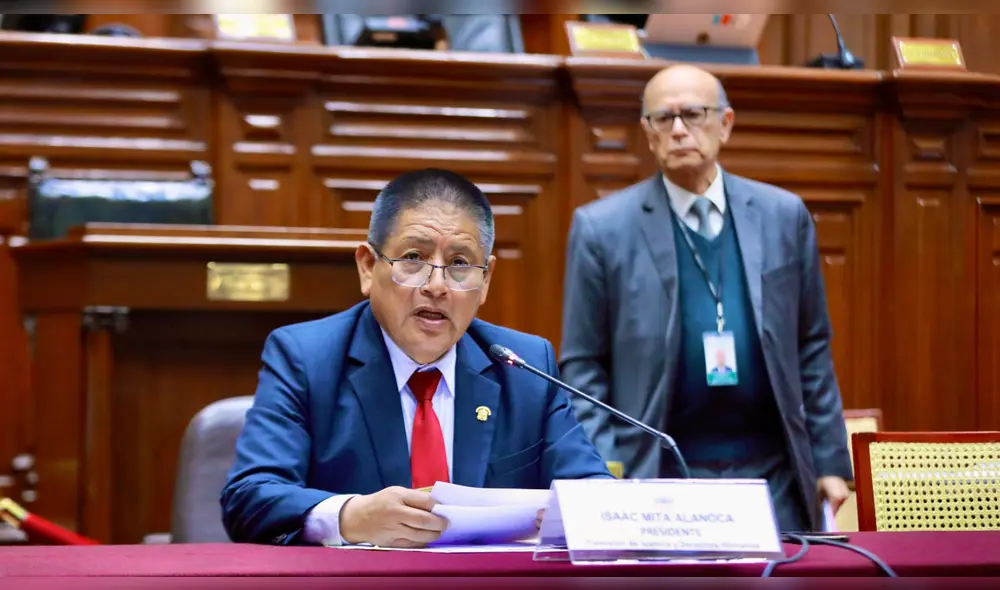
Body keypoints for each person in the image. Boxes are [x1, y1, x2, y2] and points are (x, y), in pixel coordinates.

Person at [222, 168, 611, 547]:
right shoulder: (306, 358)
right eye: (413, 258)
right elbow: (250, 497)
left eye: (460, 264)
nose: (437, 285)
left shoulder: (524, 366)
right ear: (368, 267)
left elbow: (593, 496)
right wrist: (349, 516)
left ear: (486, 280)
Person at [559, 64, 852, 532]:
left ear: (725, 123)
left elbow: (811, 344)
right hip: (656, 477)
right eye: (663, 119)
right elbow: (582, 366)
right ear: (648, 134)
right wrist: (604, 469)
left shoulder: (782, 216)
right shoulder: (602, 229)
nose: (679, 130)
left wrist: (831, 460)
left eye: (693, 114)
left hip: (773, 476)